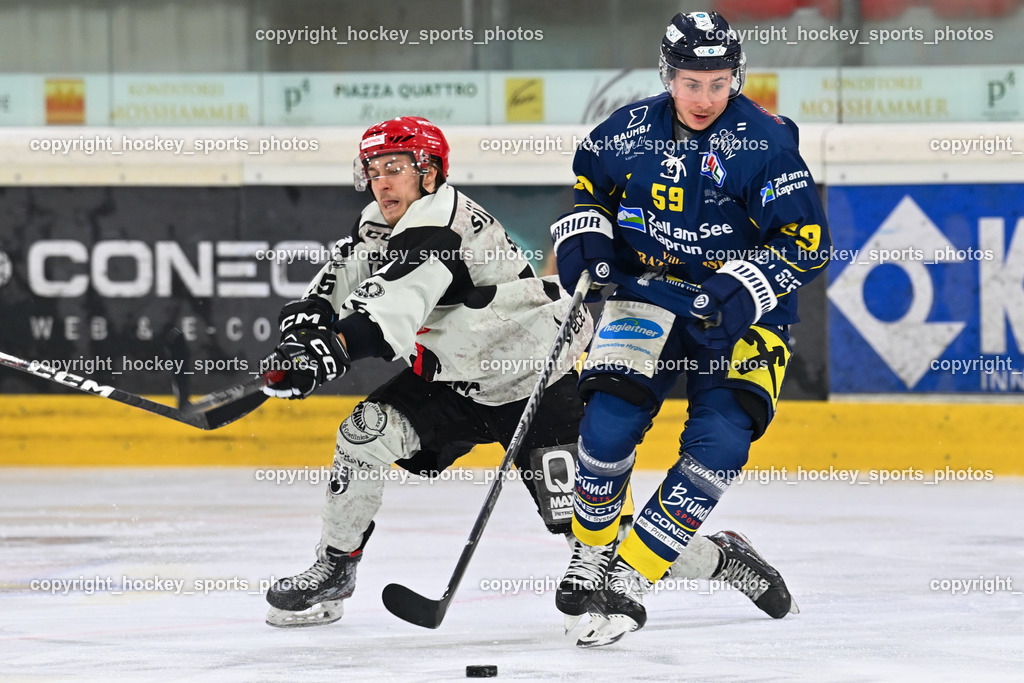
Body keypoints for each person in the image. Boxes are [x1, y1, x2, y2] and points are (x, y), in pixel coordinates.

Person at [260, 115, 800, 630]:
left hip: (532, 384)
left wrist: (326, 352)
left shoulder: (440, 231)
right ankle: (336, 565)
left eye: (394, 168)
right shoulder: (381, 224)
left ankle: (724, 558)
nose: (381, 183)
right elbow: (334, 282)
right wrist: (299, 337)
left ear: (429, 172)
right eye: (373, 171)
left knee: (594, 534)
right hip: (452, 382)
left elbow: (388, 314)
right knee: (364, 436)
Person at [551, 10, 829, 647]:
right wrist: (585, 234)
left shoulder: (765, 142)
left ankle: (633, 574)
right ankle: (591, 554)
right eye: (690, 81)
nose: (704, 97)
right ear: (667, 76)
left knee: (722, 443)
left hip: (743, 314)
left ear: (736, 78)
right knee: (606, 422)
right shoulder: (627, 130)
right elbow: (591, 188)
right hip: (647, 294)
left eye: (718, 81)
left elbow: (807, 242)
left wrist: (743, 285)